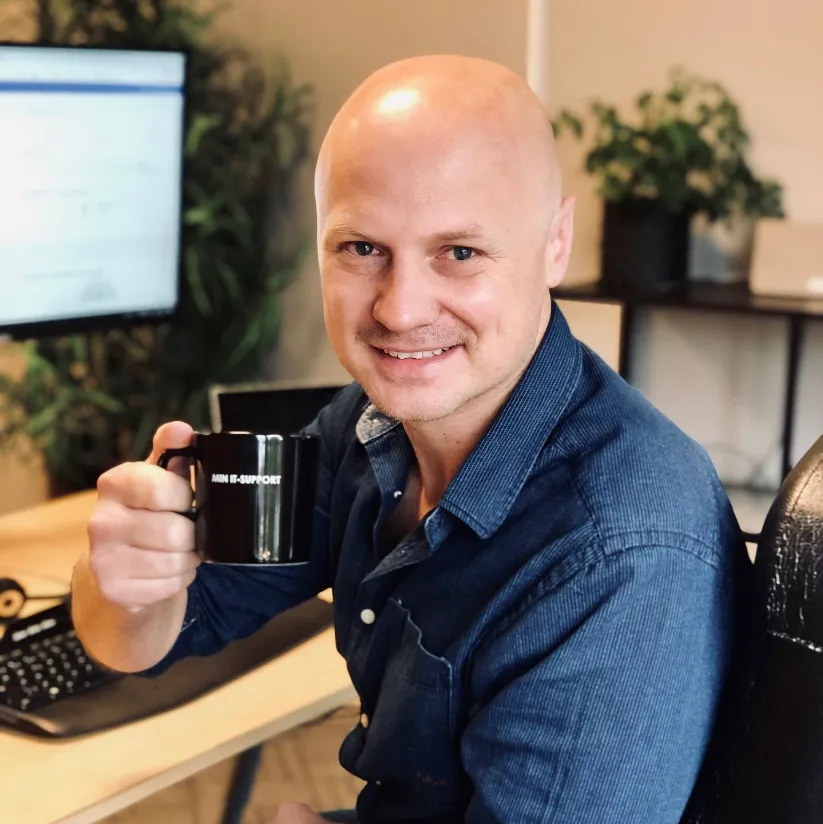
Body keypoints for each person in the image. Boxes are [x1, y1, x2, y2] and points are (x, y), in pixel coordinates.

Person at [71, 55, 749, 823]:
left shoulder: (622, 557)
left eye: (458, 253)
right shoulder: (367, 426)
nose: (398, 310)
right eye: (362, 249)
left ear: (554, 243)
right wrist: (126, 584)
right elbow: (145, 641)